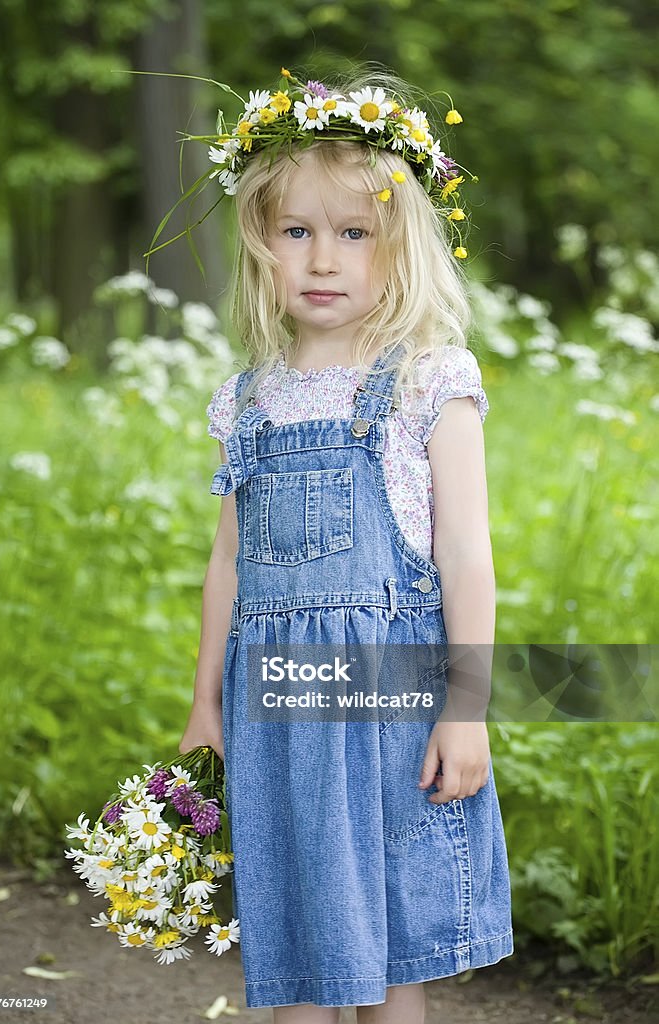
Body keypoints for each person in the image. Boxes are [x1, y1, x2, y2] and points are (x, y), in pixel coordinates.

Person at [178, 64, 514, 1023]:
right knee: (295, 950)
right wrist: (204, 701)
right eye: (296, 232)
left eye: (352, 233)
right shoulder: (248, 399)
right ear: (260, 245)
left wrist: (467, 710)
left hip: (391, 714)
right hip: (275, 718)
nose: (323, 260)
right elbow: (228, 566)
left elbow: (464, 557)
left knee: (390, 955)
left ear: (397, 245)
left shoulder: (426, 382)